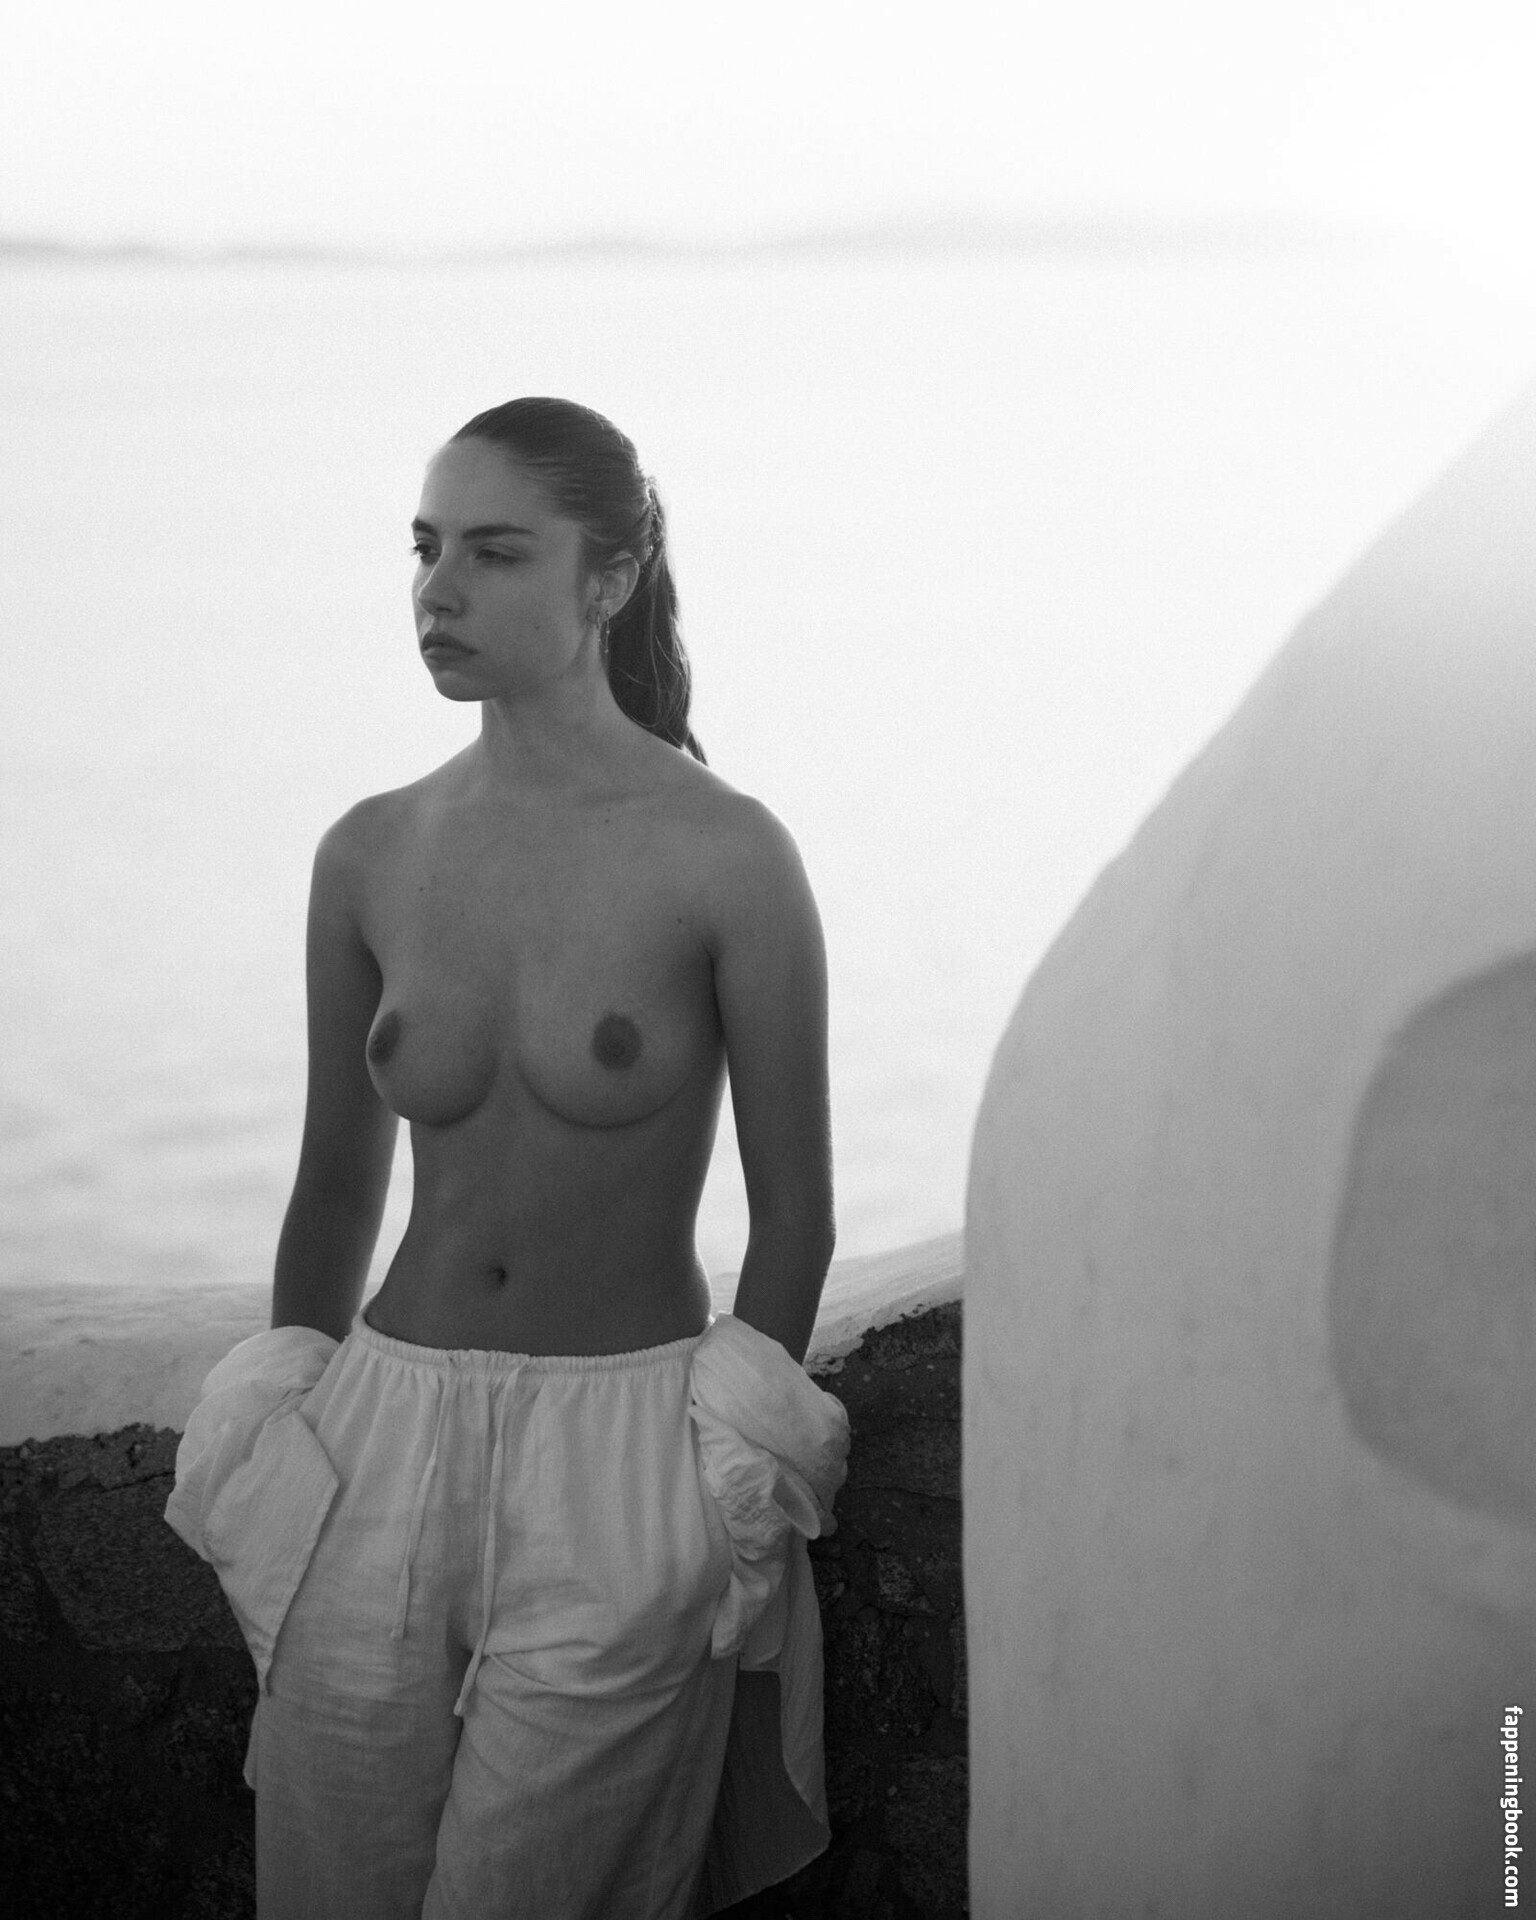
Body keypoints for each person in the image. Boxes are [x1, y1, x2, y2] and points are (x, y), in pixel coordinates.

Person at [165, 398, 848, 1918]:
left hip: (620, 1457)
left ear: (610, 579)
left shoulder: (726, 853)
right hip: (374, 1444)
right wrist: (290, 1437)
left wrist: (714, 1483)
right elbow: (335, 1187)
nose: (438, 590)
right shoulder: (370, 851)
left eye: (493, 552)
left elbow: (794, 1212)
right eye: (424, 550)